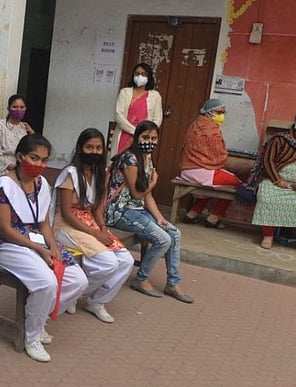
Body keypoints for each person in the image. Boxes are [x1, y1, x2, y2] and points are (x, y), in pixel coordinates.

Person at [0, 134, 89, 363]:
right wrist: (39, 249)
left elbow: (43, 224)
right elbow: (5, 228)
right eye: (34, 158)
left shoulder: (42, 185)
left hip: (37, 239)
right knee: (46, 282)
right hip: (7, 243)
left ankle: (39, 320)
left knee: (78, 280)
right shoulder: (4, 185)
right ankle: (31, 336)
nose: (39, 164)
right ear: (20, 157)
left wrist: (52, 246)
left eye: (44, 160)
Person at [106, 121, 193, 304]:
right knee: (163, 239)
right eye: (145, 137)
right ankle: (141, 279)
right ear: (137, 137)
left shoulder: (147, 158)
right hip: (120, 211)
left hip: (137, 210)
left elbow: (148, 198)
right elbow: (138, 193)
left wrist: (160, 219)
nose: (149, 142)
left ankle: (173, 283)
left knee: (174, 233)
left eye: (153, 138)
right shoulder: (130, 159)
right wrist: (154, 182)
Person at [53, 128, 135, 323]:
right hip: (66, 225)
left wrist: (103, 229)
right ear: (80, 149)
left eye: (98, 148)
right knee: (108, 263)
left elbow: (97, 207)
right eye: (90, 147)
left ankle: (96, 301)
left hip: (89, 222)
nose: (95, 152)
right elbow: (66, 213)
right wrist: (96, 235)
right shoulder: (70, 174)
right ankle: (75, 292)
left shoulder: (100, 173)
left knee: (126, 261)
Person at [251, 108, 296, 256]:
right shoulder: (280, 139)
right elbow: (268, 160)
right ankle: (268, 235)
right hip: (277, 181)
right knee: (267, 197)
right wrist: (277, 180)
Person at [178, 98, 242, 228]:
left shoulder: (195, 124)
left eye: (223, 112)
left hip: (186, 170)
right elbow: (220, 154)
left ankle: (192, 213)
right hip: (202, 172)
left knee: (214, 186)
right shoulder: (211, 129)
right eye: (219, 112)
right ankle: (214, 217)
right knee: (236, 183)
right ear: (209, 112)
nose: (222, 116)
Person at [111, 63, 163, 154]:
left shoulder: (155, 96)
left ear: (149, 77)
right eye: (137, 74)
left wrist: (146, 132)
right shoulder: (125, 92)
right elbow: (118, 115)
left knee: (139, 163)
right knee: (119, 161)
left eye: (143, 74)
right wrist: (135, 131)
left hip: (144, 137)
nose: (139, 76)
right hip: (125, 134)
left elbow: (157, 119)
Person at [0, 94, 35, 172]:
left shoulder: (24, 127)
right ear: (8, 108)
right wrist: (13, 168)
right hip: (5, 168)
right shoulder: (0, 125)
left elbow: (33, 149)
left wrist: (32, 133)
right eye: (15, 107)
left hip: (21, 167)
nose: (18, 110)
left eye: (22, 107)